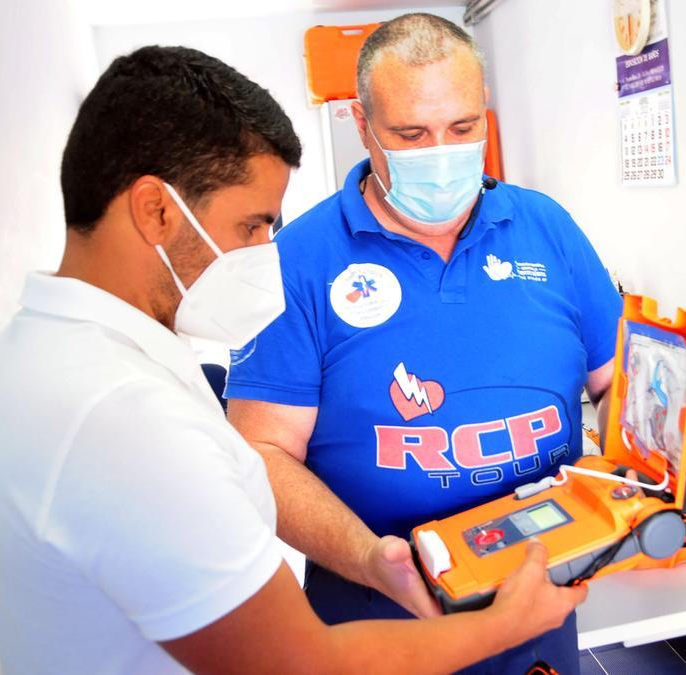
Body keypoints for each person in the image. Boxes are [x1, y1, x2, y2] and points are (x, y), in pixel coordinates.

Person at [0, 45, 584, 675]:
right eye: (252, 226)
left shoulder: (33, 356)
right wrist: (503, 626)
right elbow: (301, 664)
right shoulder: (122, 417)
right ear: (155, 211)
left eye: (462, 126)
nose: (266, 252)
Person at [226, 13, 622, 674]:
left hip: (537, 614)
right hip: (379, 630)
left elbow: (616, 384)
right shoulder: (297, 261)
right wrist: (368, 557)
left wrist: (635, 480)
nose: (442, 151)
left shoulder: (546, 228)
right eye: (411, 134)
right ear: (363, 124)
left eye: (463, 128)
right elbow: (259, 451)